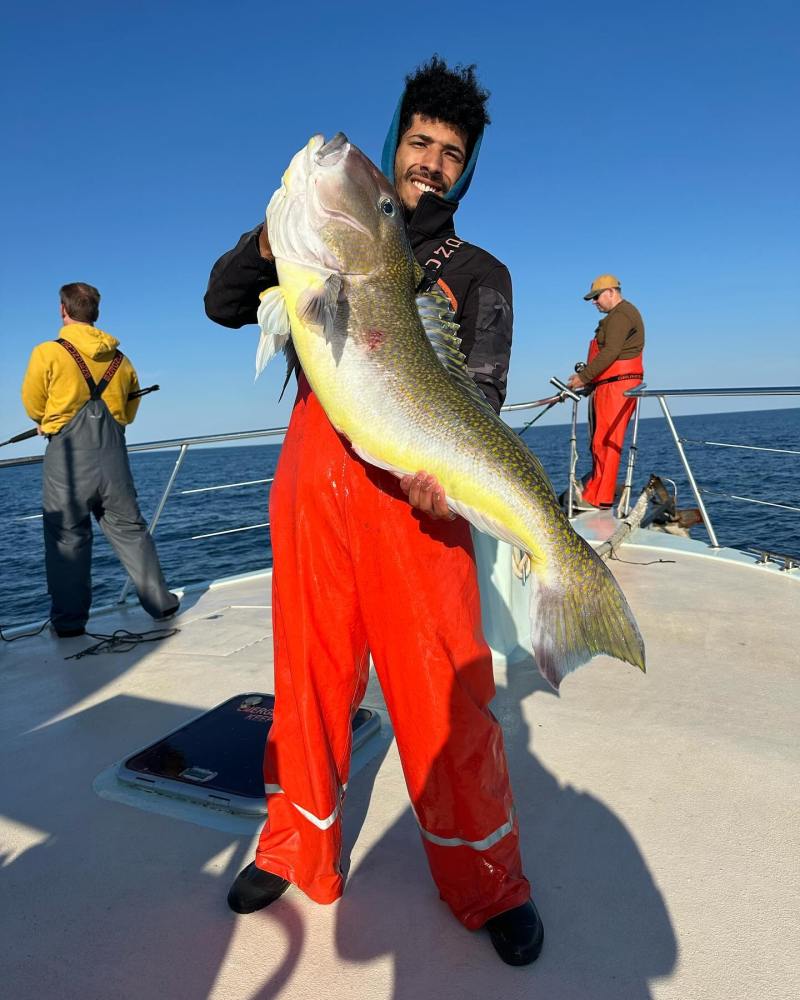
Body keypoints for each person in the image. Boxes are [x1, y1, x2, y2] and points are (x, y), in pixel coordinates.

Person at [204, 57, 543, 966]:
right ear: (397, 142)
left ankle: (486, 878)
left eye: (452, 153)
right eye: (422, 142)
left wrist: (447, 480)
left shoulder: (480, 271)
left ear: (467, 170)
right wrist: (278, 240)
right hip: (313, 486)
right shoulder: (320, 239)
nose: (432, 162)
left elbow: (481, 396)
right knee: (307, 678)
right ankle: (293, 844)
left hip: (417, 503)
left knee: (444, 696)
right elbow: (222, 302)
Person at [21, 282, 179, 637]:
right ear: (95, 313)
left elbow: (33, 402)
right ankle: (161, 605)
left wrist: (46, 421)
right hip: (113, 457)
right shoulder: (121, 360)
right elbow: (129, 409)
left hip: (68, 461)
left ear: (63, 310)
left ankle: (70, 623)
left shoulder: (47, 352)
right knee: (131, 532)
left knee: (67, 539)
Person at [566, 274, 645, 510]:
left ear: (611, 292)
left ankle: (599, 498)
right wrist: (591, 382)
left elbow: (610, 352)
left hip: (617, 386)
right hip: (608, 385)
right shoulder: (617, 316)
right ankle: (596, 491)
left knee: (607, 441)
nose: (594, 302)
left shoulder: (621, 315)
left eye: (597, 297)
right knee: (601, 441)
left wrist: (584, 377)